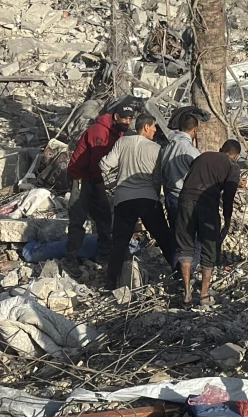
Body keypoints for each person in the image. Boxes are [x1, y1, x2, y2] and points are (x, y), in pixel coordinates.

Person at [100, 114, 175, 290]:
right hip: (148, 198)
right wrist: (155, 197)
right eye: (154, 126)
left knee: (119, 241)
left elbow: (104, 164)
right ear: (146, 127)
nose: (156, 130)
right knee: (163, 237)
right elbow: (157, 179)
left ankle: (111, 282)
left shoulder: (123, 142)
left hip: (124, 199)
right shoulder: (156, 148)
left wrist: (109, 181)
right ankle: (180, 271)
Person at [175, 139, 242, 307]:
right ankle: (204, 295)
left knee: (185, 246)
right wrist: (227, 220)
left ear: (221, 149)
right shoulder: (232, 166)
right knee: (209, 247)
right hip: (207, 205)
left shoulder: (202, 156)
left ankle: (187, 294)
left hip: (185, 200)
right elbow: (228, 196)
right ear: (237, 156)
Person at [66, 105, 135, 262]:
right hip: (82, 178)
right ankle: (70, 258)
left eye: (130, 118)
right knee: (78, 218)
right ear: (116, 117)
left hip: (97, 178)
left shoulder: (120, 133)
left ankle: (103, 254)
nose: (128, 121)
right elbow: (96, 164)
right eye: (125, 118)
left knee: (104, 219)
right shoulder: (99, 131)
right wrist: (101, 190)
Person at [159, 114, 201, 264]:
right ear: (195, 130)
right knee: (192, 240)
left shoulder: (167, 147)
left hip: (170, 196)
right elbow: (200, 175)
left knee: (176, 237)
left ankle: (175, 272)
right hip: (185, 199)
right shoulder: (190, 151)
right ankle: (186, 275)